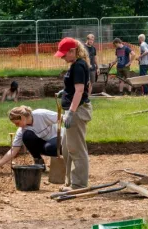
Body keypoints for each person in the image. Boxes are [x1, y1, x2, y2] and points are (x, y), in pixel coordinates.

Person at [54, 37, 93, 191]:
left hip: (77, 112)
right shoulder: (76, 65)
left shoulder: (78, 66)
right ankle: (70, 181)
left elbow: (80, 90)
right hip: (73, 109)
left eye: (64, 54)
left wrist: (71, 112)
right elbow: (81, 87)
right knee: (67, 147)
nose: (62, 57)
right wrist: (66, 91)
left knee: (77, 148)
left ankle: (79, 184)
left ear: (73, 51)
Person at [0, 106, 59, 172]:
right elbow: (14, 149)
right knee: (27, 136)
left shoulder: (40, 114)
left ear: (22, 117)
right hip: (44, 144)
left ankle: (64, 158)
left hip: (58, 137)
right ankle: (39, 162)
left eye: (17, 123)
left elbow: (62, 118)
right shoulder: (22, 130)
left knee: (49, 147)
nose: (16, 126)